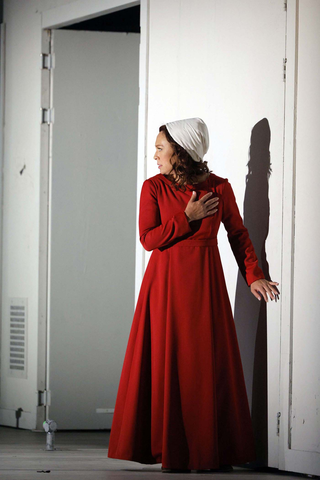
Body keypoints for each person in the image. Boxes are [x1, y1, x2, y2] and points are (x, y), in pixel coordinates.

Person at [107, 117, 279, 473]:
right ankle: (170, 448)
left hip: (206, 285)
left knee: (204, 367)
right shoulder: (153, 188)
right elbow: (149, 239)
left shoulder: (220, 188)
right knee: (168, 364)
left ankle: (207, 450)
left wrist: (254, 276)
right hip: (165, 287)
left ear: (180, 151)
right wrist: (187, 217)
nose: (154, 154)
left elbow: (239, 235)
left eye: (160, 148)